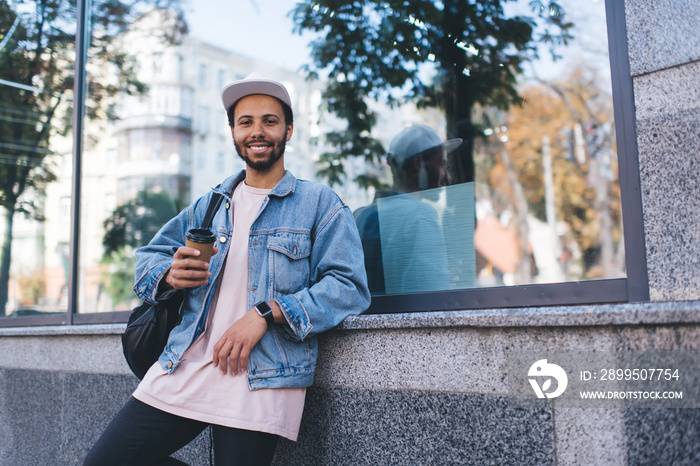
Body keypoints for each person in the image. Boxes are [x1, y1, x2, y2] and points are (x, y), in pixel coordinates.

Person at [85, 73, 370, 465]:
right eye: (246, 122)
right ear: (233, 132)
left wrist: (268, 313)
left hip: (262, 377)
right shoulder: (211, 205)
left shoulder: (320, 204)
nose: (258, 131)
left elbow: (348, 286)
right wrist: (169, 274)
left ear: (288, 130)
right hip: (186, 364)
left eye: (270, 121)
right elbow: (147, 258)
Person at [355, 125, 461, 294]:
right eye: (441, 165)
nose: (447, 176)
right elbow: (432, 300)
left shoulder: (362, 216)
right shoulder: (421, 215)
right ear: (418, 163)